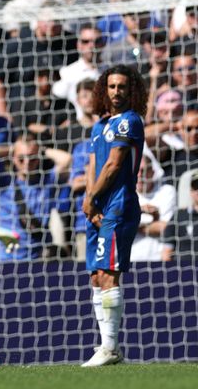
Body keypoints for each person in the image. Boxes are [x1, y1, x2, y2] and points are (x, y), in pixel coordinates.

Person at [81, 64, 147, 367]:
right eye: (111, 86)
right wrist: (88, 200)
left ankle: (110, 348)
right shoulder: (100, 126)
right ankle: (106, 346)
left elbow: (114, 165)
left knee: (109, 273)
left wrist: (93, 198)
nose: (116, 92)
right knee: (96, 276)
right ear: (103, 90)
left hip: (118, 207)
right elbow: (94, 165)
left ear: (130, 90)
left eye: (122, 86)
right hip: (97, 208)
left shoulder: (129, 122)